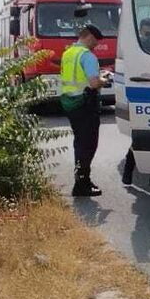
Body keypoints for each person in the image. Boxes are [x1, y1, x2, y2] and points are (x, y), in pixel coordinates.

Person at [60, 24, 106, 197]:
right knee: (88, 145)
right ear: (88, 37)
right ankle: (81, 184)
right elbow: (94, 83)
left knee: (80, 143)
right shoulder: (88, 56)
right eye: (95, 41)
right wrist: (104, 79)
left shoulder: (68, 53)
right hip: (85, 104)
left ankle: (82, 180)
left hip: (70, 104)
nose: (96, 45)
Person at [121, 18, 150, 189]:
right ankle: (128, 172)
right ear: (141, 31)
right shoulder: (135, 49)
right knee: (140, 139)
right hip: (142, 98)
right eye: (148, 33)